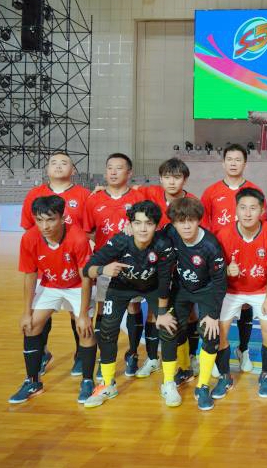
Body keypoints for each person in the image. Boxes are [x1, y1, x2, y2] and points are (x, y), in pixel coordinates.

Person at [82, 201, 179, 408]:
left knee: (169, 326)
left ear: (156, 226)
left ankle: (169, 383)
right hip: (121, 288)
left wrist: (162, 312)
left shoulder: (163, 244)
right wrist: (103, 270)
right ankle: (107, 384)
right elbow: (87, 269)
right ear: (130, 225)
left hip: (153, 287)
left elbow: (165, 280)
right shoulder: (120, 241)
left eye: (149, 223)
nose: (143, 229)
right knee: (107, 330)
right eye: (138, 223)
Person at [9, 195, 97, 404]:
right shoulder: (29, 238)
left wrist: (83, 315)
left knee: (84, 329)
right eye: (39, 220)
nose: (45, 226)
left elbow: (86, 277)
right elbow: (30, 275)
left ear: (62, 218)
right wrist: (26, 312)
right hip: (51, 285)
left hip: (78, 285)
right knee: (31, 326)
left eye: (51, 220)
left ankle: (87, 381)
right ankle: (33, 382)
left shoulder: (78, 238)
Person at [20, 151, 91, 376]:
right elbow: (29, 229)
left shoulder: (84, 195)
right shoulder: (35, 194)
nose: (58, 166)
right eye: (53, 162)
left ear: (73, 170)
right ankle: (41, 353)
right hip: (47, 265)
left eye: (64, 162)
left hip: (75, 261)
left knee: (76, 314)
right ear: (47, 168)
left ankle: (80, 355)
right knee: (39, 314)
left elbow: (89, 229)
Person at [201, 144, 265, 375]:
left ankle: (244, 349)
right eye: (230, 159)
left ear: (245, 163)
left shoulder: (254, 190)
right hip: (219, 256)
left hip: (247, 255)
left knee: (245, 302)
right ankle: (218, 352)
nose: (234, 163)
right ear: (223, 162)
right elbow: (204, 226)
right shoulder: (211, 192)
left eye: (238, 159)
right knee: (220, 303)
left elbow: (262, 225)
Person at [82, 153, 147, 379]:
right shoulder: (94, 199)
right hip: (106, 265)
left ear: (129, 173)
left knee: (133, 307)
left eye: (119, 168)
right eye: (110, 167)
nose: (113, 172)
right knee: (103, 309)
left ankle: (132, 354)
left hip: (133, 264)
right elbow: (88, 230)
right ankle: (105, 356)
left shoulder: (138, 197)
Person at [133, 157, 199, 380]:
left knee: (188, 313)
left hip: (183, 266)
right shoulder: (150, 193)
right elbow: (125, 192)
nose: (172, 182)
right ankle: (153, 358)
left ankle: (190, 357)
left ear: (185, 179)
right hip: (156, 264)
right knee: (155, 312)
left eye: (177, 177)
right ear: (160, 179)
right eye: (167, 177)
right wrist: (101, 189)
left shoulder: (192, 202)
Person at [160, 197, 228, 411]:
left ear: (199, 220)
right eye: (181, 221)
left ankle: (202, 386)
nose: (186, 226)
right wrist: (128, 229)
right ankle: (176, 376)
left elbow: (220, 282)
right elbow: (148, 235)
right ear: (173, 223)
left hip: (207, 290)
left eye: (191, 220)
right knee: (170, 327)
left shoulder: (210, 245)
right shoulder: (170, 233)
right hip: (181, 288)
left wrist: (213, 314)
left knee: (210, 332)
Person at [215, 188, 267, 399]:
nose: (247, 213)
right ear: (236, 210)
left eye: (253, 208)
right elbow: (215, 268)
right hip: (231, 290)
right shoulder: (224, 234)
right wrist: (226, 270)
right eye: (243, 208)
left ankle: (266, 374)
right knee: (220, 332)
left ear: (262, 210)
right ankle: (225, 376)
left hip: (261, 290)